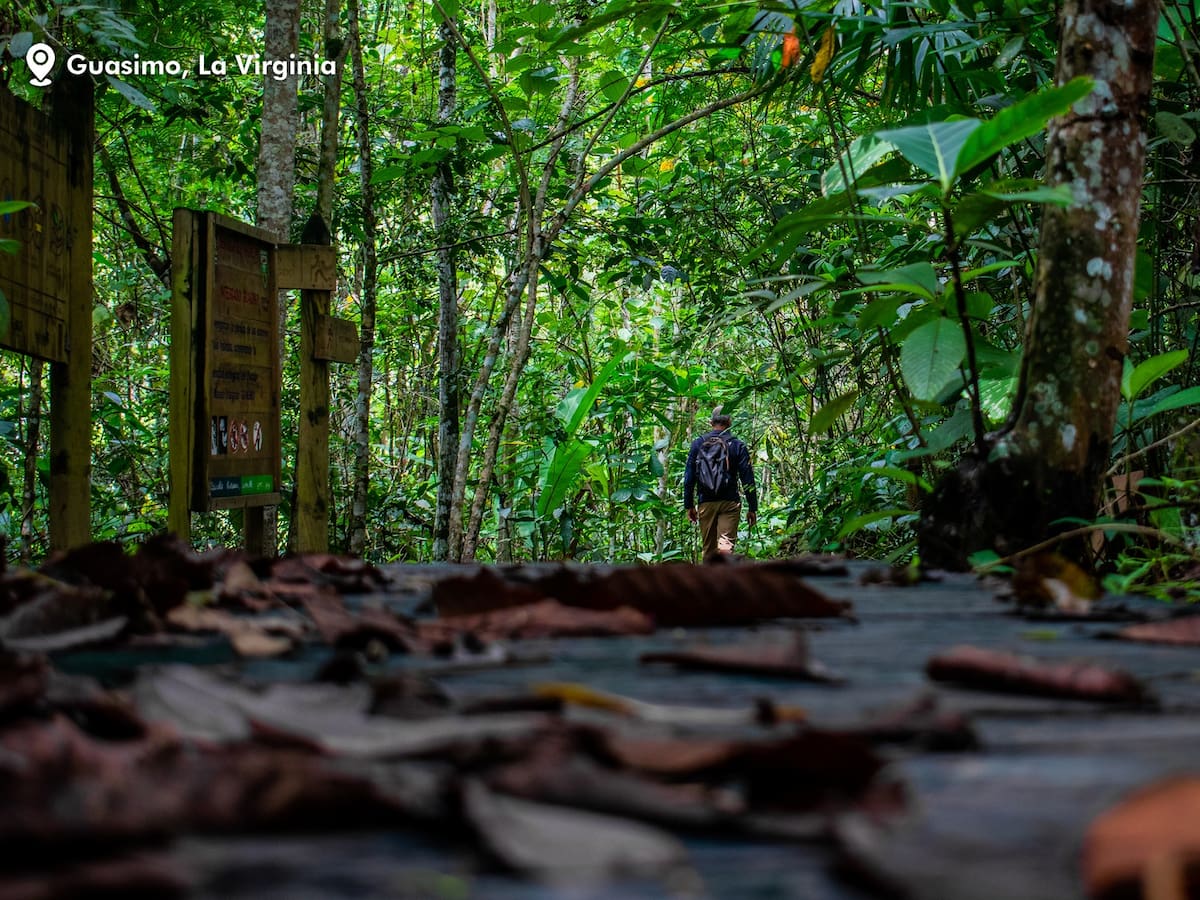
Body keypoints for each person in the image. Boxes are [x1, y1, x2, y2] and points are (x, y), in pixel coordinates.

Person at [684, 409, 758, 558]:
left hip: (706, 502)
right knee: (726, 548)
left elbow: (689, 478)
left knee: (709, 550)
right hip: (730, 502)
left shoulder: (698, 444)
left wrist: (689, 505)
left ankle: (709, 580)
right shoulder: (737, 445)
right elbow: (747, 478)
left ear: (711, 422)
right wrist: (752, 507)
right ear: (729, 422)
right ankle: (725, 578)